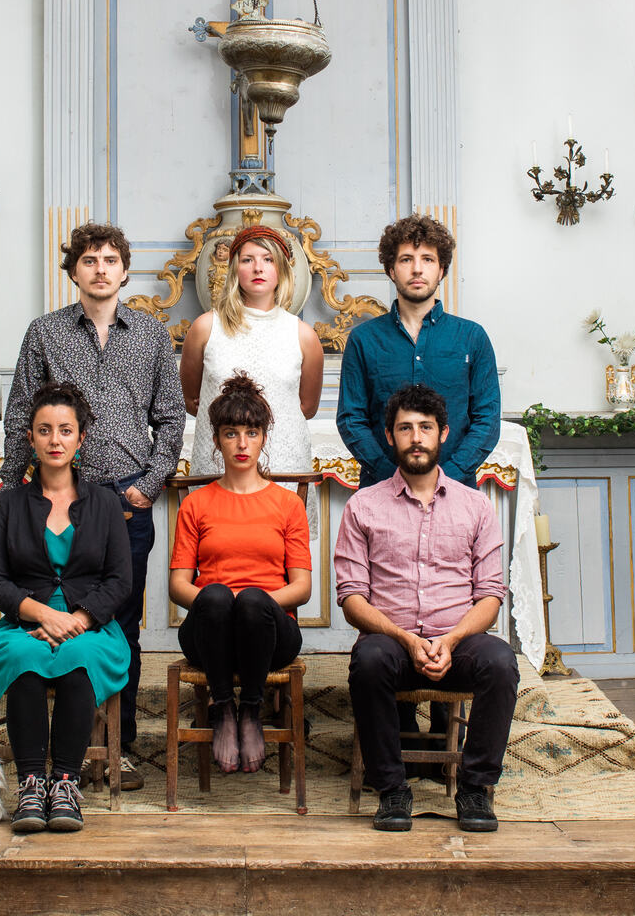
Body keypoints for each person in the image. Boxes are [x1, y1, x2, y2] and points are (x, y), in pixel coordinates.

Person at [2, 221, 186, 789]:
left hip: (126, 500)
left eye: (110, 259)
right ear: (74, 271)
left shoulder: (152, 336)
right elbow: (19, 415)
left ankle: (117, 745)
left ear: (125, 270)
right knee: (40, 614)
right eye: (89, 260)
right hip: (55, 497)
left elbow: (172, 417)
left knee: (117, 625)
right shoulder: (45, 333)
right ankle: (48, 748)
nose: (100, 269)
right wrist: (12, 494)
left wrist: (149, 484)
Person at [334, 384, 518, 833]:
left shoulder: (475, 507)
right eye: (405, 428)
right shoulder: (363, 506)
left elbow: (491, 595)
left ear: (443, 434)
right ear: (389, 436)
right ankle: (392, 789)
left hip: (459, 642)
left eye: (425, 428)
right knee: (370, 658)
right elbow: (351, 597)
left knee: (501, 662)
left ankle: (475, 790)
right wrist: (405, 639)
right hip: (393, 644)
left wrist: (451, 640)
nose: (416, 438)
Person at [0, 382, 131, 832]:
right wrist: (44, 615)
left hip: (92, 625)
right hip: (24, 622)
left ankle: (65, 784)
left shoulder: (105, 503)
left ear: (81, 438)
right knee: (26, 656)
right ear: (30, 438)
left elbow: (120, 580)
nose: (55, 440)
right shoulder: (8, 504)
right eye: (44, 430)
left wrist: (78, 620)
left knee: (78, 656)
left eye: (65, 430)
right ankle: (31, 786)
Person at [169, 372, 312, 773]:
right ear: (216, 440)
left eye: (251, 432)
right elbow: (179, 585)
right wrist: (224, 605)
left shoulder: (287, 505)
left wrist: (253, 603)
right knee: (214, 595)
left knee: (250, 599)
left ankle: (250, 710)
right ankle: (224, 711)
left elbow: (301, 588)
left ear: (264, 437)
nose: (242, 443)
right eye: (231, 434)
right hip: (209, 630)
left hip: (269, 632)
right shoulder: (197, 504)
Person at [337, 213, 499, 490]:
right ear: (391, 269)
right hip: (381, 492)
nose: (417, 269)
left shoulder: (472, 337)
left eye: (427, 259)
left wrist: (447, 477)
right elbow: (351, 419)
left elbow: (487, 420)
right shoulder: (363, 339)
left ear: (442, 270)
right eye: (406, 259)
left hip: (457, 492)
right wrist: (391, 477)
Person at [181, 225, 323, 525]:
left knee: (283, 559)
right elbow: (192, 400)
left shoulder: (303, 335)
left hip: (284, 467)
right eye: (247, 260)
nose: (258, 267)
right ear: (234, 269)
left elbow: (306, 407)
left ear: (281, 270)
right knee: (215, 553)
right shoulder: (206, 327)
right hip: (219, 465)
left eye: (268, 259)